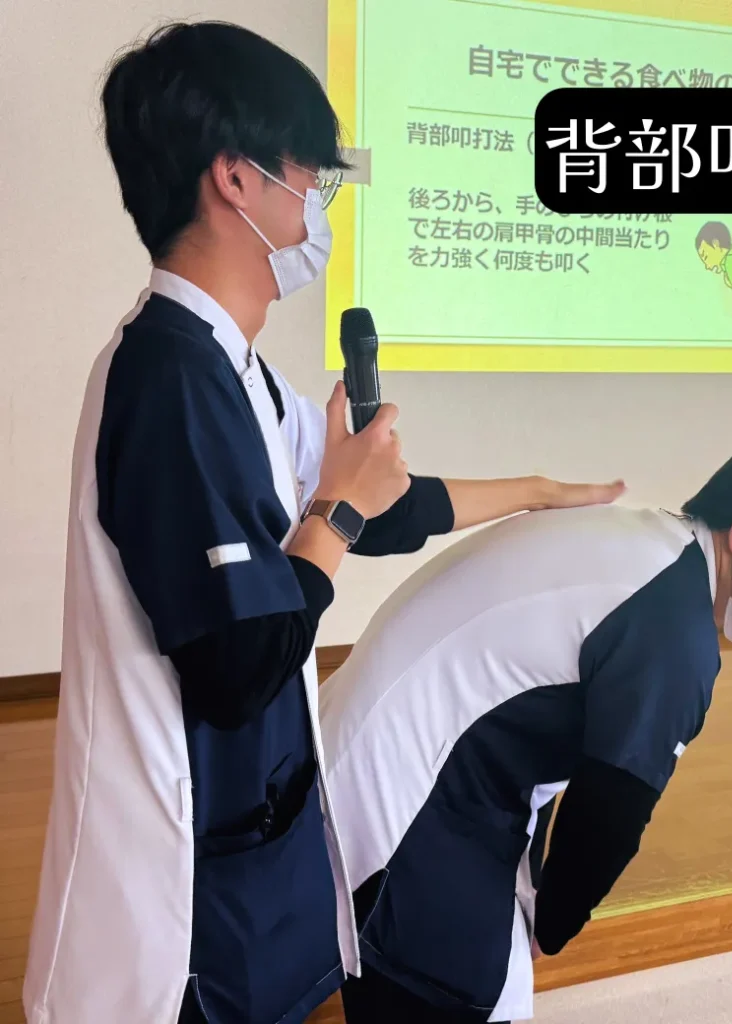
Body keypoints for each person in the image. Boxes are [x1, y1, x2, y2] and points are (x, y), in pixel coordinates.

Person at [23, 21, 623, 1024]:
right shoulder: (168, 378)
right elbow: (240, 660)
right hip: (170, 902)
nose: (317, 202)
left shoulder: (235, 371)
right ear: (236, 179)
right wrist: (333, 511)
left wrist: (533, 491)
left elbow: (382, 506)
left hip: (243, 857)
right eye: (308, 173)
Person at [319, 437, 732, 1024]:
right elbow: (610, 811)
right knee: (463, 987)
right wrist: (553, 925)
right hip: (400, 799)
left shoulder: (643, 542)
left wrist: (537, 898)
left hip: (370, 748)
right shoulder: (672, 631)